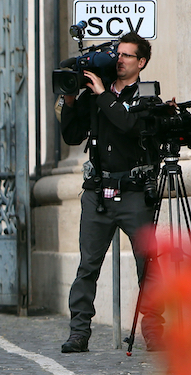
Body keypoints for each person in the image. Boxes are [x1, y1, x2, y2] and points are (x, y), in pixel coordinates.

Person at [59, 31, 163, 353]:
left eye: (127, 55)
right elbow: (73, 136)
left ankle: (154, 330)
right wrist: (73, 99)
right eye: (118, 54)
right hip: (97, 194)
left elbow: (131, 127)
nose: (119, 59)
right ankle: (79, 333)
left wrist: (104, 94)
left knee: (148, 265)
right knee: (88, 266)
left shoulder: (147, 96)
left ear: (141, 62)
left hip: (133, 193)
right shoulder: (94, 95)